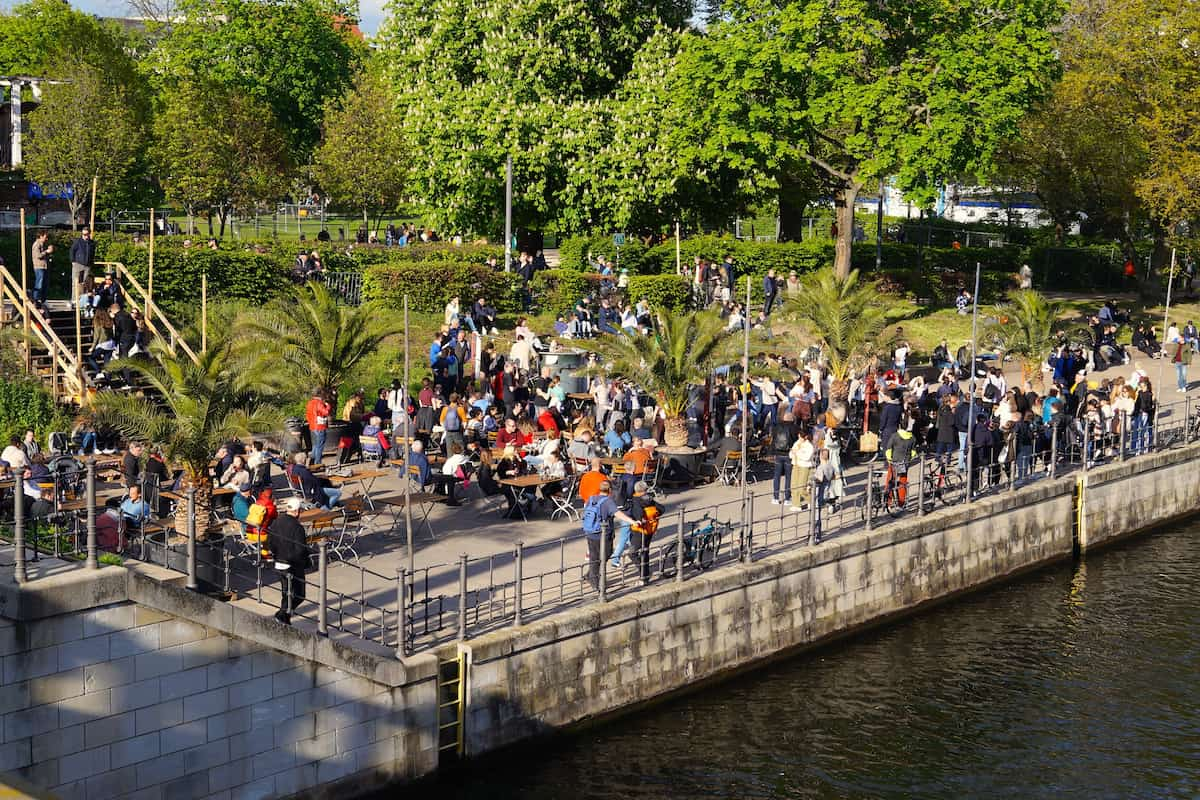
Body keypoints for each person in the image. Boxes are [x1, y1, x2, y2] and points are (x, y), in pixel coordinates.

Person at [580, 480, 638, 592]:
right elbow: (618, 514)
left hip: (590, 532)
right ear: (610, 490)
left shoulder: (591, 499)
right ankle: (595, 582)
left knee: (595, 556)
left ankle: (590, 574)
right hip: (603, 534)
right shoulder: (608, 502)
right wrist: (632, 521)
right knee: (601, 556)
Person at [267, 497, 310, 625]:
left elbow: (270, 542)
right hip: (293, 565)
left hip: (279, 562)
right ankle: (282, 615)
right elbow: (300, 549)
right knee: (299, 594)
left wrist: (276, 554)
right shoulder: (297, 527)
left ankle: (284, 617)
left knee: (286, 592)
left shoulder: (276, 522)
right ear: (297, 512)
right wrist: (305, 562)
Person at [769, 411, 796, 505]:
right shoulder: (794, 428)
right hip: (789, 454)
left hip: (778, 454)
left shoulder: (776, 428)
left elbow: (773, 439)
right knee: (788, 477)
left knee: (777, 476)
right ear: (792, 419)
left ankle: (775, 497)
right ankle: (787, 498)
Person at [305, 390, 331, 465]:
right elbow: (326, 412)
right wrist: (328, 406)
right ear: (320, 395)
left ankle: (312, 462)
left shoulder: (310, 403)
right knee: (319, 446)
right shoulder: (319, 403)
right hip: (319, 426)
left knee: (315, 445)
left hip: (312, 426)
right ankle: (318, 463)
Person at [70, 228, 95, 305]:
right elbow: (72, 251)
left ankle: (82, 300)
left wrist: (91, 262)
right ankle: (74, 299)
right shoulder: (78, 241)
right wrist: (73, 261)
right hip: (78, 264)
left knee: (85, 283)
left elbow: (93, 253)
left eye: (87, 234)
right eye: (84, 234)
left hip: (87, 265)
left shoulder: (91, 243)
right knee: (76, 282)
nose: (85, 236)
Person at [31, 230, 52, 307]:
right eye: (45, 237)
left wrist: (49, 251)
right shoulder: (36, 245)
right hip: (39, 266)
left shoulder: (43, 244)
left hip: (45, 266)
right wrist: (47, 251)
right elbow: (38, 255)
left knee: (45, 284)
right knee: (39, 283)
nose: (46, 239)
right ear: (41, 236)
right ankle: (35, 300)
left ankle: (43, 300)